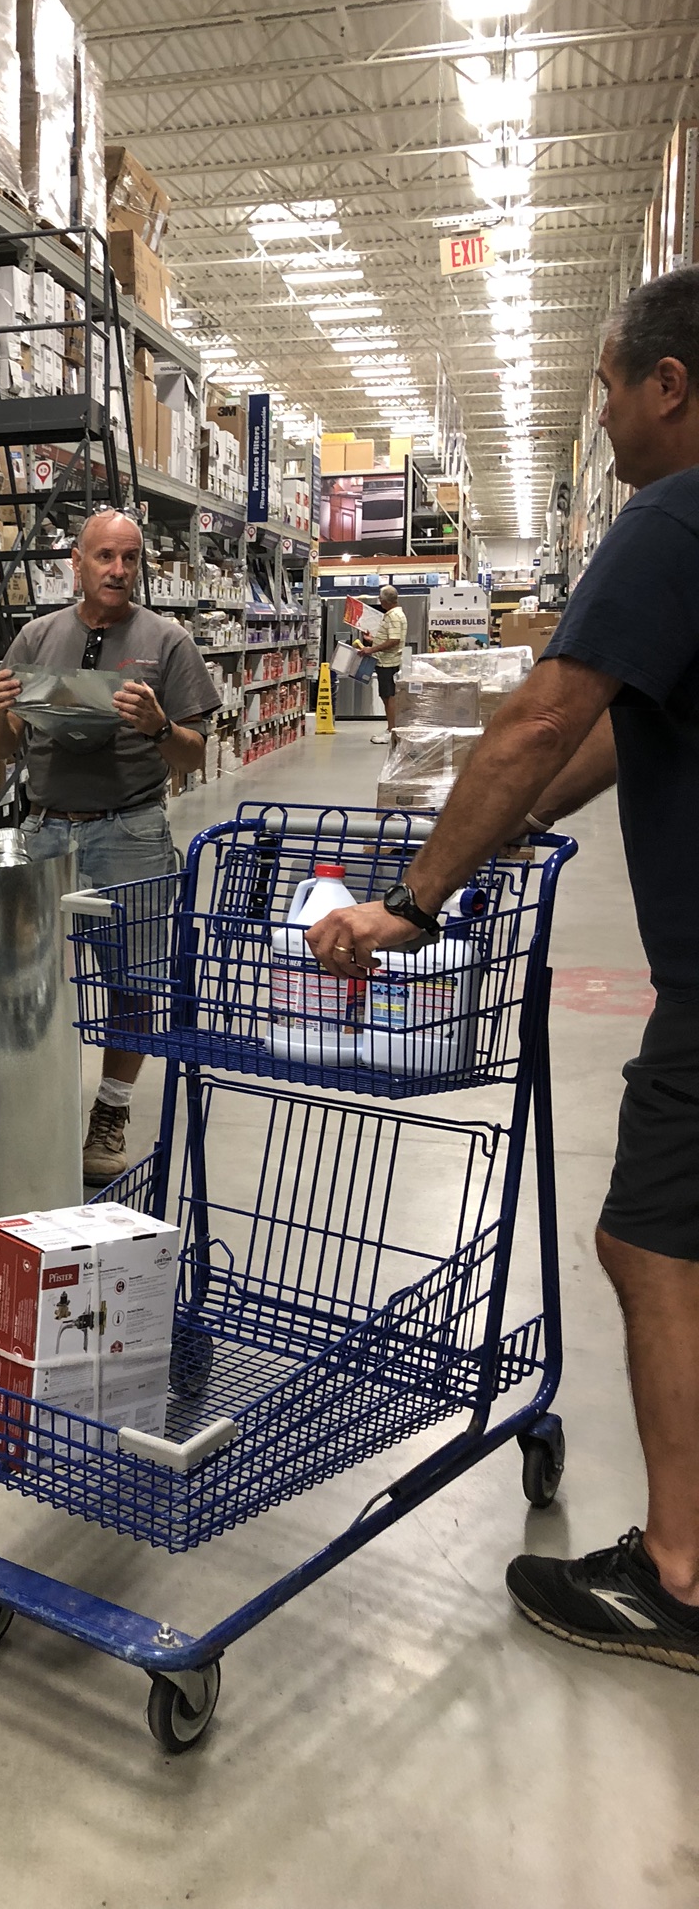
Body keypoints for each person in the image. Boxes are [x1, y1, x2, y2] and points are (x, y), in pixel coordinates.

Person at [306, 263, 699, 1671]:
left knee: (645, 1242)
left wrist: (414, 898)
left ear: (669, 385)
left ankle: (680, 1575)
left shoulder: (671, 517)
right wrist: (503, 831)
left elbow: (544, 716)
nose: (603, 417)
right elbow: (615, 735)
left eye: (607, 388)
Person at [0, 509, 220, 1181]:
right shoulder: (35, 637)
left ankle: (110, 1113)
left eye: (130, 558)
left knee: (133, 980)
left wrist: (157, 725)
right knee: (27, 977)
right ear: (77, 564)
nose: (118, 571)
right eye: (105, 558)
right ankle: (31, 1105)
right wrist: (0, 712)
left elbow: (195, 756)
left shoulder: (168, 641)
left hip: (131, 828)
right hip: (45, 826)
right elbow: (1, 748)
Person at [357, 583, 408, 740]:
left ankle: (391, 731)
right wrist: (372, 640)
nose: (379, 602)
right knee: (387, 696)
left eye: (380, 599)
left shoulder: (392, 616)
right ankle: (391, 728)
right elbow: (389, 638)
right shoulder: (398, 614)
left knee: (388, 696)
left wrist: (370, 649)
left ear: (385, 601)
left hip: (387, 662)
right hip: (389, 661)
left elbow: (394, 640)